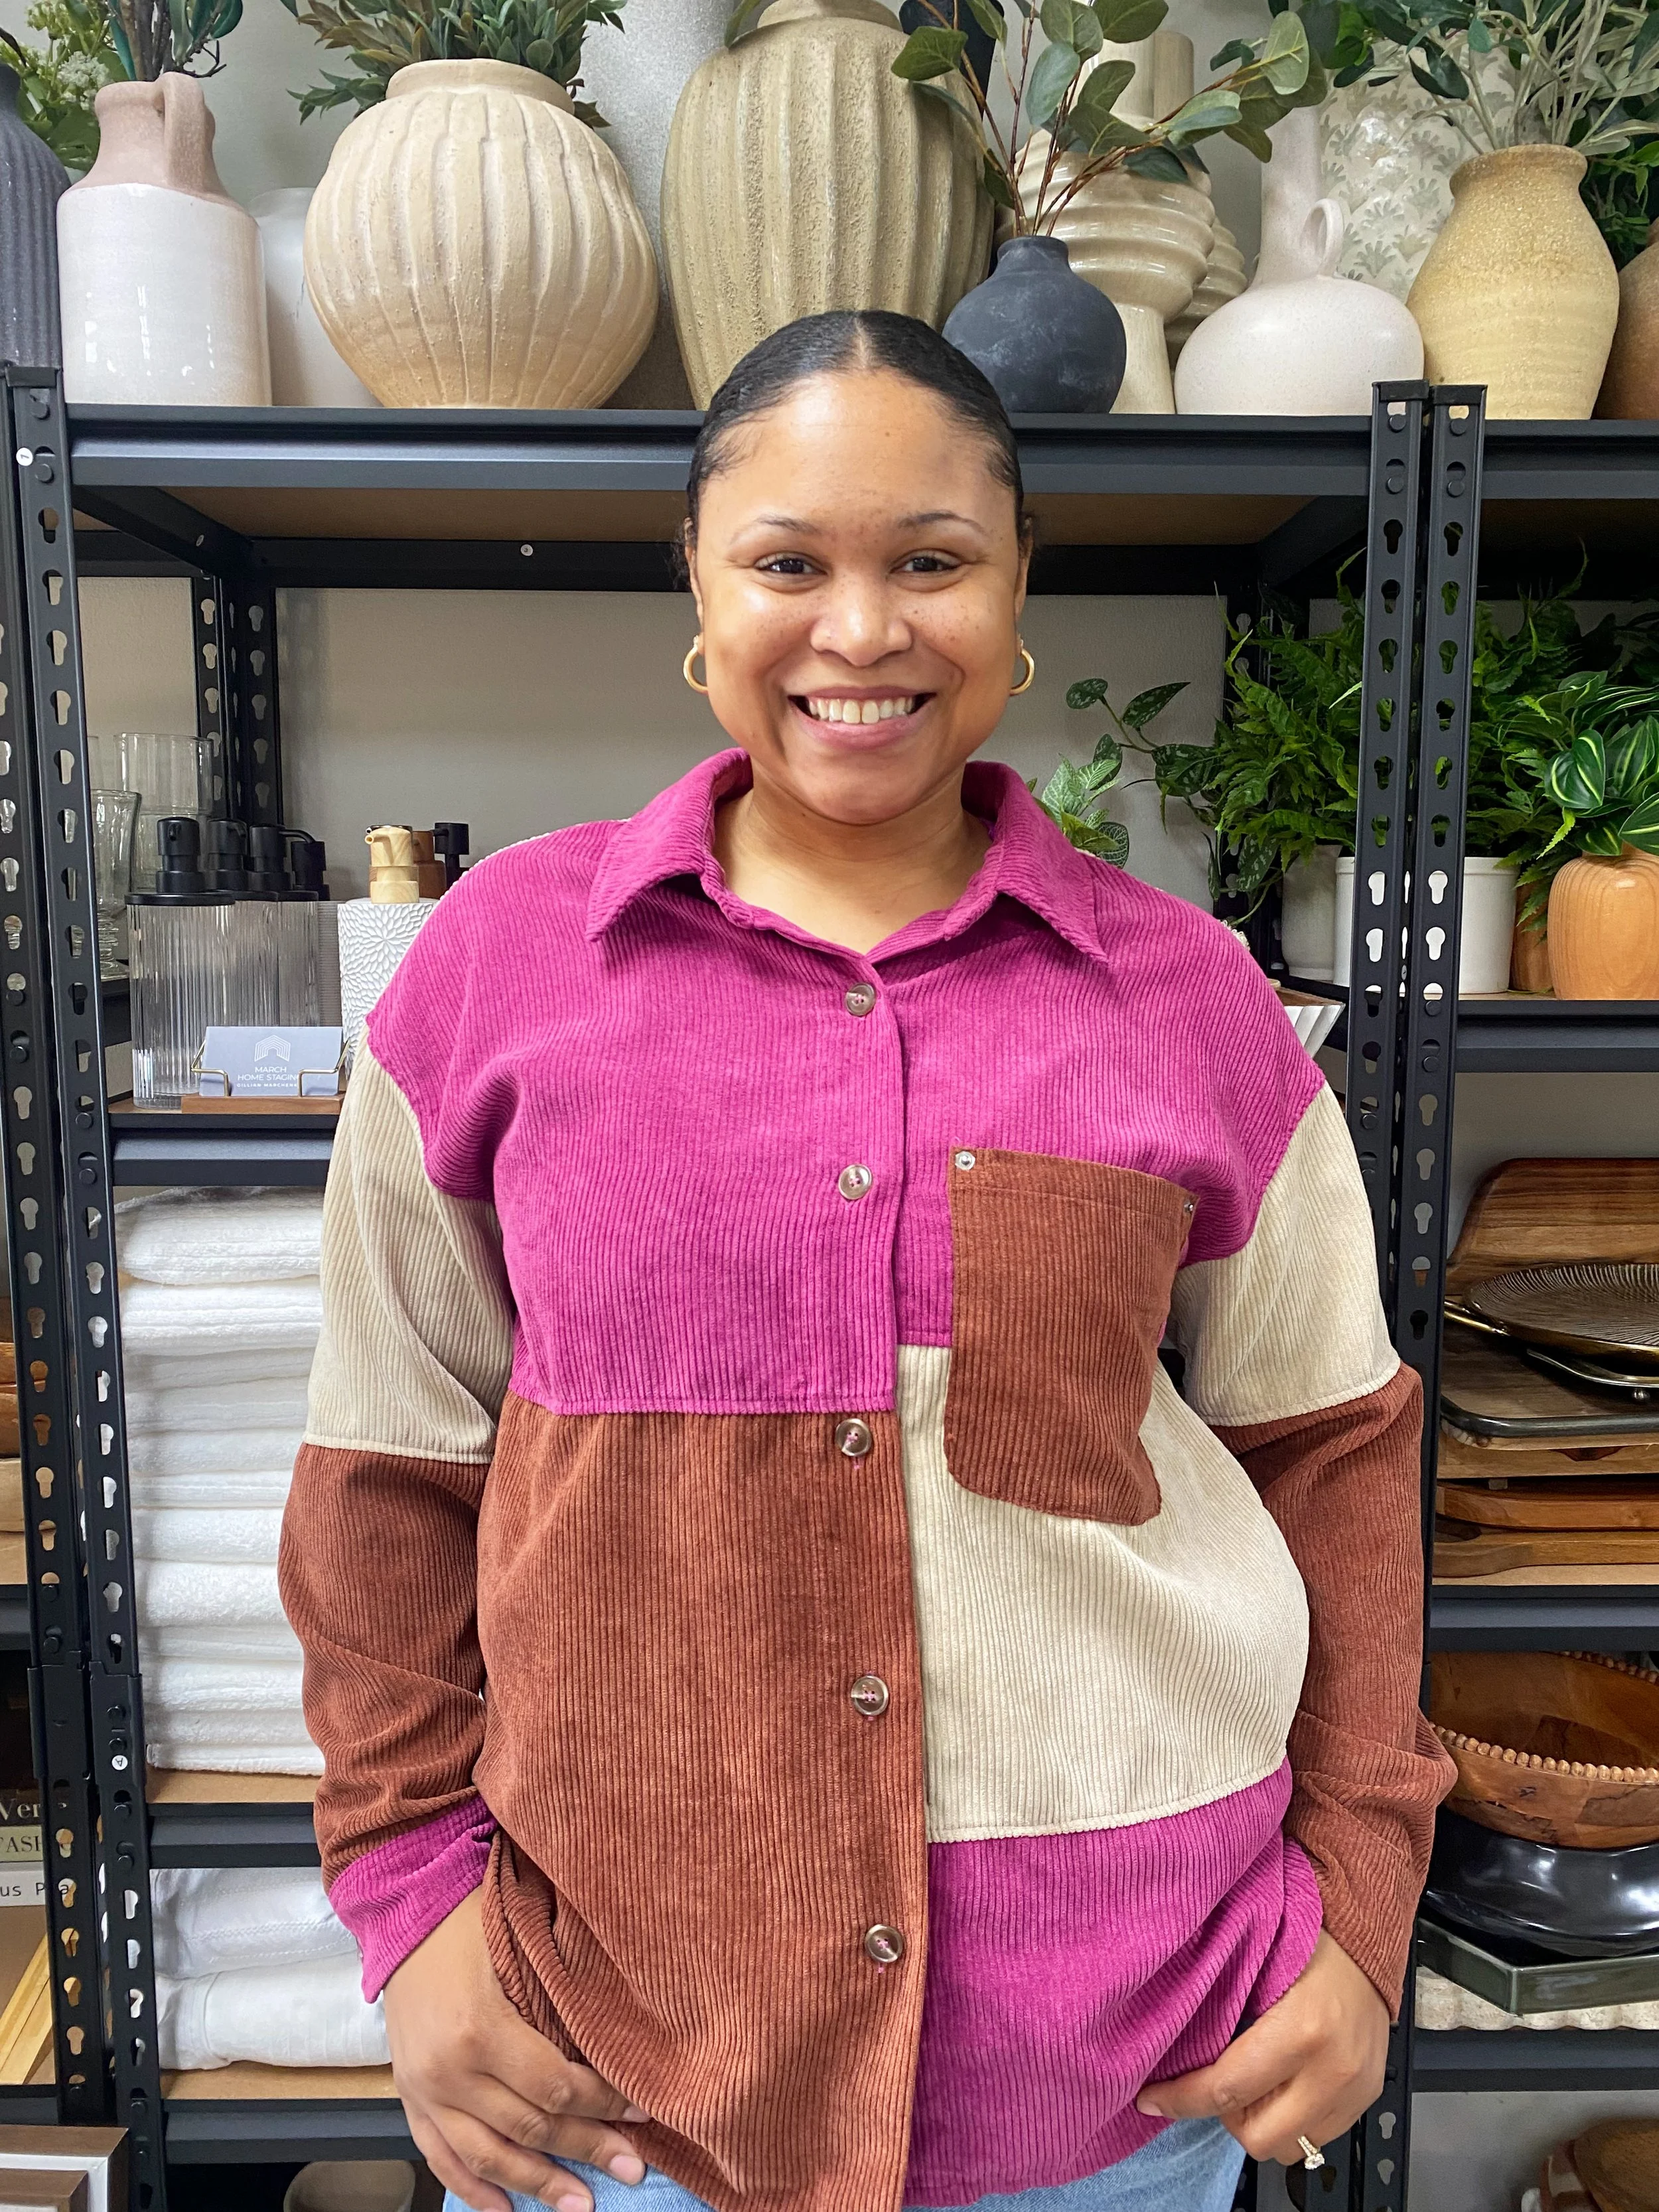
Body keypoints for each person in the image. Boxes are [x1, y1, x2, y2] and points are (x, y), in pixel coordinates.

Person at [279, 310, 1453, 2212]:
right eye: (788, 562)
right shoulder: (493, 978)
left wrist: (1361, 1900)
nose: (859, 629)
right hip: (636, 2066)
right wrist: (411, 1912)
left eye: (929, 560)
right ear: (698, 588)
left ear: (1014, 591)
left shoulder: (1191, 1006)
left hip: (1118, 2068)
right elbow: (384, 1482)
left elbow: (1330, 1458)